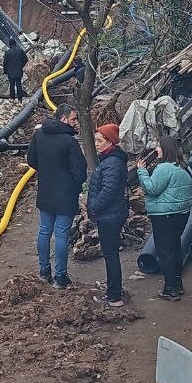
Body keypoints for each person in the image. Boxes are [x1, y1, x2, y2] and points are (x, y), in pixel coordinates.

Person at [26, 102, 87, 288]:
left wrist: (47, 173)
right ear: (64, 119)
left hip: (46, 191)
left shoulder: (39, 135)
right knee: (61, 234)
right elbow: (80, 172)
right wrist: (74, 183)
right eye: (74, 119)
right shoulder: (69, 142)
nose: (76, 122)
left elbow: (31, 160)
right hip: (65, 195)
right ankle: (60, 277)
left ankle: (44, 272)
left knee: (44, 231)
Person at [137, 136, 192, 301]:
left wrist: (142, 172)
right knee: (175, 247)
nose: (156, 149)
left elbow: (152, 189)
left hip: (164, 216)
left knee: (165, 251)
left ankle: (170, 288)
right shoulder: (185, 167)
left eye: (158, 146)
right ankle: (177, 283)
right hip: (182, 214)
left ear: (166, 148)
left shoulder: (164, 168)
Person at [87, 123, 129, 307]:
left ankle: (114, 296)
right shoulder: (110, 160)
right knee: (111, 254)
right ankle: (114, 290)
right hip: (111, 213)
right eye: (96, 140)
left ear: (110, 142)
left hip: (109, 215)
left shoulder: (111, 163)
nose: (96, 144)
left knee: (110, 255)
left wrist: (94, 207)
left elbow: (108, 191)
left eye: (99, 141)